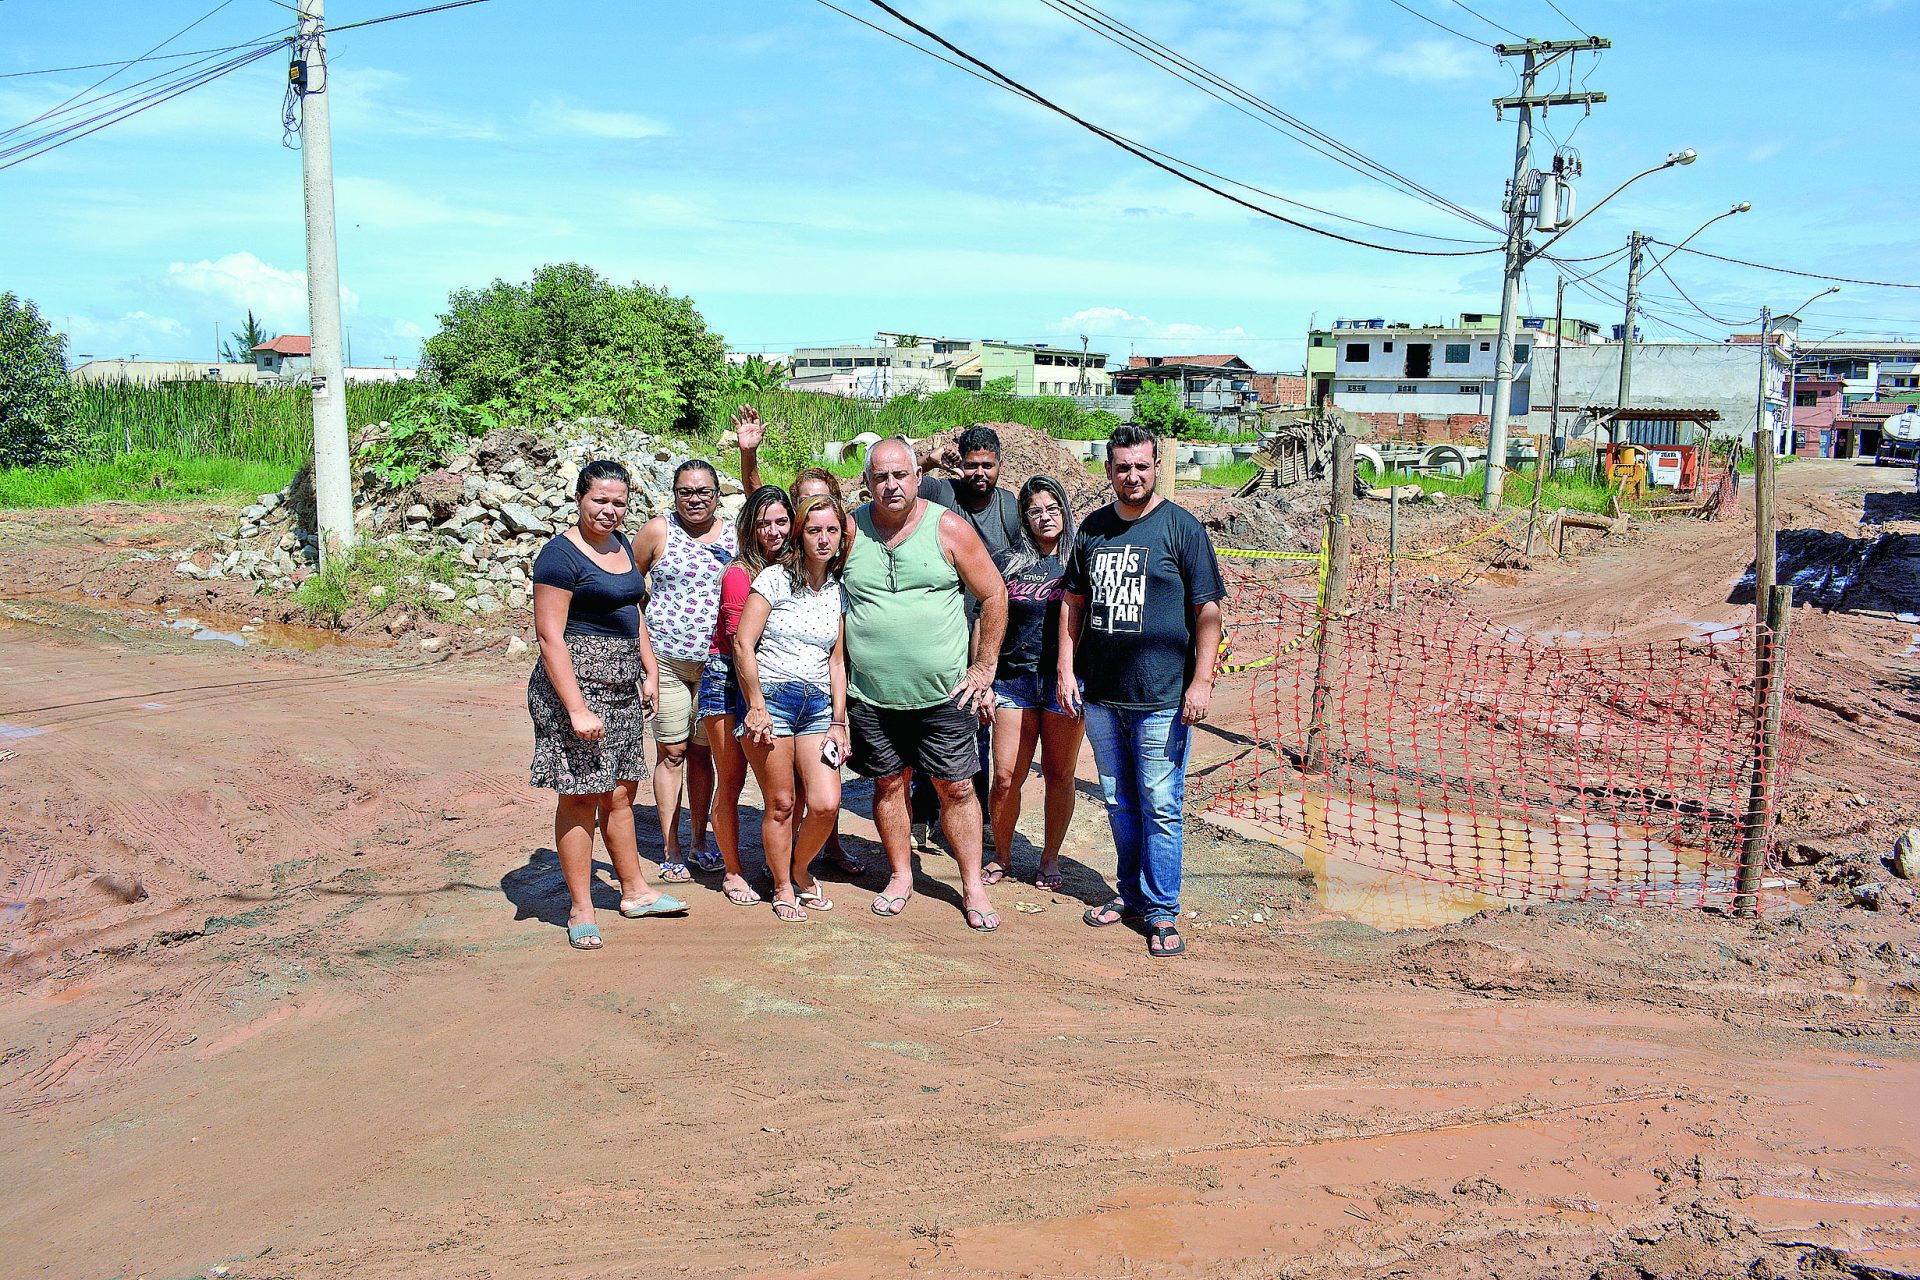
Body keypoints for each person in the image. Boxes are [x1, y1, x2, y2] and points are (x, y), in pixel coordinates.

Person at [1057, 424, 1224, 959]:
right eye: (1122, 467)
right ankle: (1129, 897)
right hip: (1103, 696)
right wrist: (1066, 671)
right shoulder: (1093, 530)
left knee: (1160, 803)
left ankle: (1161, 912)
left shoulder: (1182, 529)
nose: (1132, 476)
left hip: (1162, 700)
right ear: (1108, 471)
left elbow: (1209, 613)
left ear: (1156, 468)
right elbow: (1073, 605)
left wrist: (1201, 681)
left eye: (1142, 466)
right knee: (1119, 802)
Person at [842, 438, 1007, 932]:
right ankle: (900, 874)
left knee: (956, 788)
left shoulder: (949, 528)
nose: (891, 485)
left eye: (900, 475)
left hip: (944, 693)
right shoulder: (850, 531)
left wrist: (984, 667)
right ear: (867, 481)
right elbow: (783, 523)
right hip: (872, 694)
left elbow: (995, 593)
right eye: (880, 476)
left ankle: (972, 884)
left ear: (918, 477)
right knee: (889, 783)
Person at [527, 460, 686, 951]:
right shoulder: (559, 556)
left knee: (619, 794)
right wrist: (576, 708)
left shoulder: (620, 546)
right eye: (600, 500)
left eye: (619, 502)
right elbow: (550, 637)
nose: (609, 510)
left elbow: (631, 609)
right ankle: (580, 907)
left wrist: (651, 669)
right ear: (579, 499)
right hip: (576, 689)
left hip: (620, 689)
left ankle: (635, 891)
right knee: (579, 795)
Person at [734, 495, 852, 922]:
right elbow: (743, 643)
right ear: (800, 533)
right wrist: (756, 706)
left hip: (819, 704)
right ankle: (783, 884)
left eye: (831, 531)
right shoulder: (774, 578)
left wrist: (840, 721)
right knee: (782, 802)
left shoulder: (838, 591)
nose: (823, 539)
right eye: (814, 530)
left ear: (841, 537)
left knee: (824, 802)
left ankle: (800, 867)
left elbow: (837, 662)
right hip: (774, 702)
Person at [912, 426, 1023, 862]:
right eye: (971, 464)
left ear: (999, 465)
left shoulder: (1010, 508)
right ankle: (924, 811)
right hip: (942, 630)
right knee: (930, 720)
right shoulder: (941, 491)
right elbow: (896, 482)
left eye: (987, 465)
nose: (979, 473)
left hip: (988, 633)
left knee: (977, 721)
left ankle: (977, 817)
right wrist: (930, 458)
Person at [630, 458, 736, 881]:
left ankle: (699, 840)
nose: (695, 499)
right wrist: (643, 654)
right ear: (674, 494)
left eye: (703, 491)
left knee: (701, 755)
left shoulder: (733, 534)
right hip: (667, 663)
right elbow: (629, 586)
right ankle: (672, 846)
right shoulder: (658, 531)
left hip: (716, 666)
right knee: (671, 751)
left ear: (716, 495)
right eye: (686, 492)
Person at [988, 476, 1085, 892]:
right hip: (1014, 681)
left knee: (1061, 775)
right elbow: (986, 617)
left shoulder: (1082, 560)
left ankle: (1049, 858)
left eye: (1052, 508)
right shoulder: (1007, 562)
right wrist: (983, 674)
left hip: (1066, 683)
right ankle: (1003, 855)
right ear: (1025, 519)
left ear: (1064, 509)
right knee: (1006, 776)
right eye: (1035, 511)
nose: (1045, 517)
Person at [698, 485, 794, 906]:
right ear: (749, 529)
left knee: (784, 787)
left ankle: (786, 865)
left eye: (780, 521)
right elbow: (741, 644)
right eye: (763, 523)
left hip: (770, 679)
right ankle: (733, 870)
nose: (773, 531)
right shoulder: (740, 574)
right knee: (732, 780)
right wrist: (757, 703)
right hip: (728, 680)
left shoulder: (797, 567)